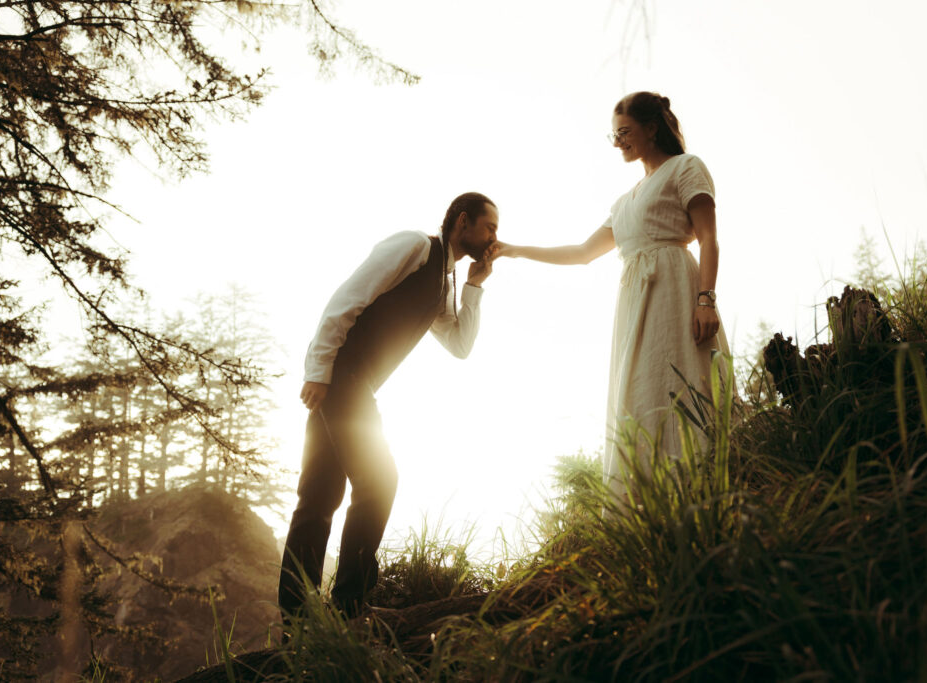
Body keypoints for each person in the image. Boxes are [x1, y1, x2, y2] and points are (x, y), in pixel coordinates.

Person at [497, 91, 730, 500]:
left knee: (681, 385)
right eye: (613, 135)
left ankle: (698, 493)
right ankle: (648, 504)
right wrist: (513, 250)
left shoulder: (685, 168)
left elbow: (709, 237)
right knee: (641, 393)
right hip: (635, 306)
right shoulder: (624, 202)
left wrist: (705, 299)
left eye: (624, 132)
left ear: (652, 128)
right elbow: (583, 253)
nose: (618, 141)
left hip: (676, 292)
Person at [279, 192, 499, 620]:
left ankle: (297, 621)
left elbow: (459, 345)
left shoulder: (444, 281)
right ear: (463, 221)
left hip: (356, 384)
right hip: (343, 375)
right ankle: (349, 606)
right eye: (490, 227)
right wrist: (318, 368)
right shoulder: (415, 247)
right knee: (378, 481)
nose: (494, 236)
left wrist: (474, 284)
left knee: (319, 497)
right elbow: (349, 298)